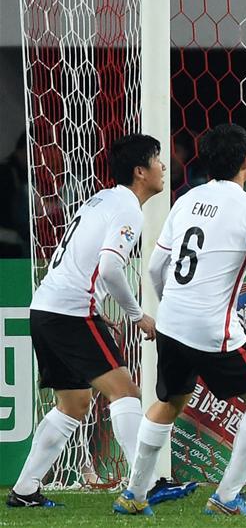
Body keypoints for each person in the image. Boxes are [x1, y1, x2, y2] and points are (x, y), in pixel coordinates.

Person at [113, 124, 246, 517]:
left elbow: (156, 267)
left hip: (172, 321)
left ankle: (133, 494)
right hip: (212, 329)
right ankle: (225, 498)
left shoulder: (186, 200)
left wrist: (172, 305)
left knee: (168, 403)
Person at [7, 135, 169, 508]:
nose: (163, 167)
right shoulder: (127, 208)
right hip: (69, 311)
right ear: (140, 171)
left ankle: (25, 489)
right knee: (125, 391)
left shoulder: (101, 199)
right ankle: (144, 484)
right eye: (157, 160)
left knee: (75, 403)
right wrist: (136, 316)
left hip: (47, 309)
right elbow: (111, 267)